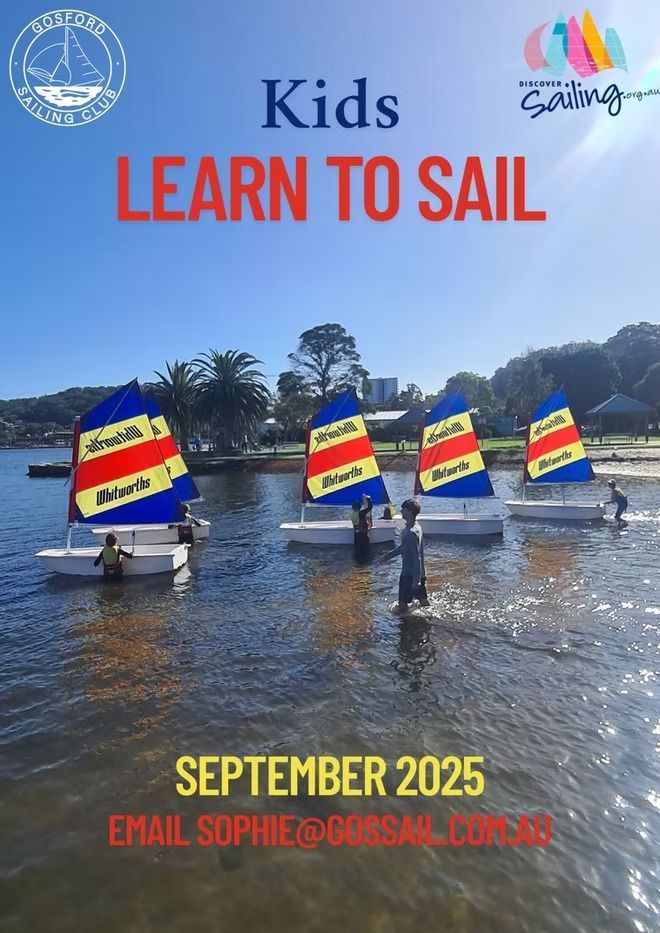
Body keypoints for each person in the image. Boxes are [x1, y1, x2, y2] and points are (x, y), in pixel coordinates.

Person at [379, 498, 429, 610]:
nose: (401, 511)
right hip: (419, 573)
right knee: (423, 603)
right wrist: (386, 557)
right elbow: (404, 548)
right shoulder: (416, 527)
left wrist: (415, 581)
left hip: (409, 575)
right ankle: (429, 623)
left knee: (402, 606)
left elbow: (417, 558)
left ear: (410, 512)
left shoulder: (411, 533)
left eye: (403, 509)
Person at [351, 494, 373, 562]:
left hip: (356, 537)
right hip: (363, 536)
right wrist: (368, 499)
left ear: (353, 508)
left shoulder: (353, 515)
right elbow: (370, 507)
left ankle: (358, 567)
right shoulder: (361, 514)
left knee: (358, 554)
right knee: (366, 554)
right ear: (360, 507)